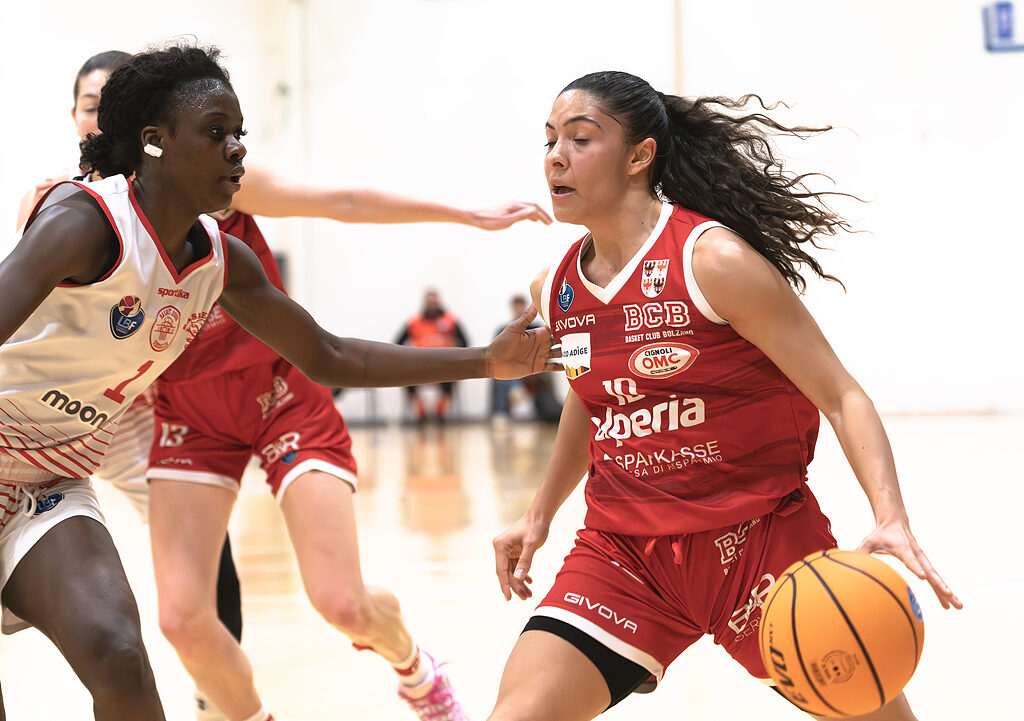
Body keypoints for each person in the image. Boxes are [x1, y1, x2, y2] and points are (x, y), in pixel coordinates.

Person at [0, 43, 554, 721]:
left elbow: (329, 354)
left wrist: (485, 362)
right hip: (160, 418)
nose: (236, 149)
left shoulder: (219, 257)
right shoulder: (80, 219)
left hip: (75, 471)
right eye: (217, 133)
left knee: (124, 650)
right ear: (153, 139)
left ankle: (414, 671)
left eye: (240, 133)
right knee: (178, 619)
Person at [489, 71, 962, 721]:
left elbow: (841, 393)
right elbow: (592, 398)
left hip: (760, 546)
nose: (555, 157)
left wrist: (891, 514)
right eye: (548, 141)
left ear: (640, 155)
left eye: (579, 138)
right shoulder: (557, 289)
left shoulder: (713, 261)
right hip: (625, 554)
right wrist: (539, 513)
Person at [395, 289, 469, 422]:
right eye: (429, 301)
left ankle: (441, 412)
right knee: (405, 378)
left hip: (445, 365)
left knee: (452, 378)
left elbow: (465, 342)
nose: (432, 304)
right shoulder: (414, 322)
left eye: (434, 301)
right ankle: (420, 413)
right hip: (419, 365)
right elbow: (397, 343)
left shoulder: (450, 320)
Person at [490, 295, 563, 425]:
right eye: (516, 307)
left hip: (533, 369)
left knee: (541, 374)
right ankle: (502, 412)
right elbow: (496, 353)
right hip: (512, 369)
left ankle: (544, 407)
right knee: (501, 376)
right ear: (512, 309)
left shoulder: (537, 329)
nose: (518, 310)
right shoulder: (503, 330)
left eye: (520, 307)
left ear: (524, 307)